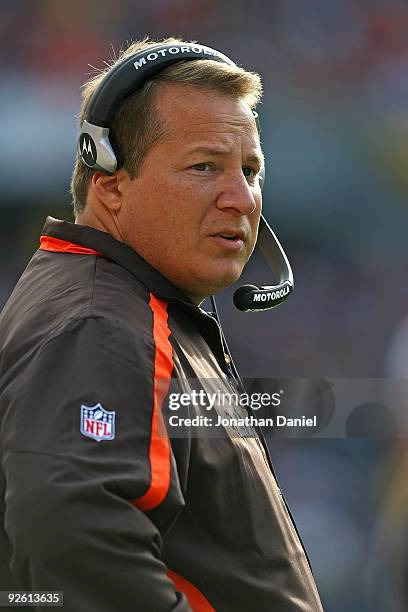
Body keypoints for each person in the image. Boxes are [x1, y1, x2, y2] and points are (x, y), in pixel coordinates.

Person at [0, 37, 323, 611]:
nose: (243, 199)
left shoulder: (124, 307)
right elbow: (72, 533)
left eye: (250, 170)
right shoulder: (99, 323)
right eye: (205, 166)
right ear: (110, 183)